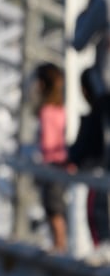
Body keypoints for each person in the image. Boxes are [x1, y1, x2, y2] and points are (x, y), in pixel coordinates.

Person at [68, 68, 110, 249]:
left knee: (97, 218)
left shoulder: (97, 116)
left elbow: (79, 153)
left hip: (96, 177)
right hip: (99, 174)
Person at [34, 62, 68, 254]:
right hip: (61, 163)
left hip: (51, 164)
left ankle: (59, 245)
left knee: (53, 206)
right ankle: (59, 243)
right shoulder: (60, 109)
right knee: (57, 206)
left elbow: (48, 142)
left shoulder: (46, 111)